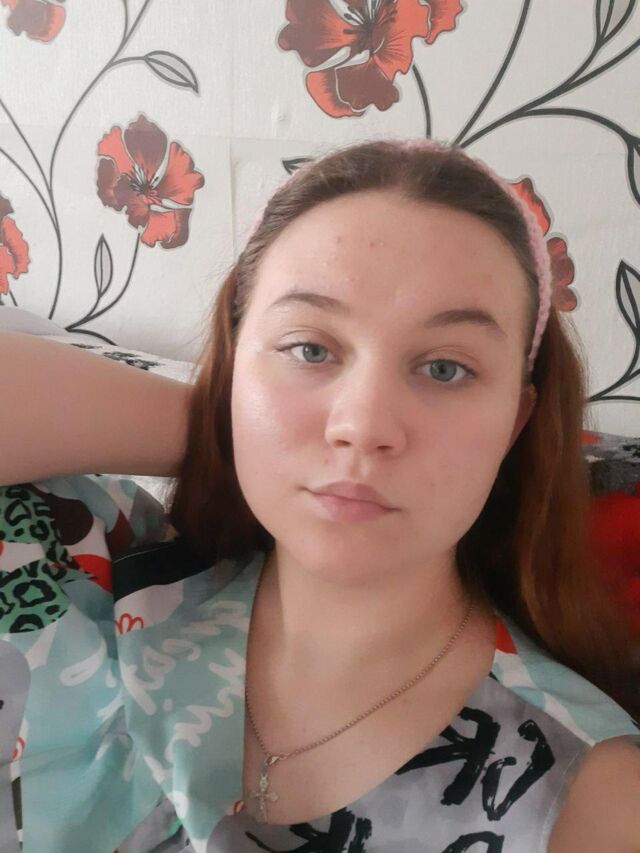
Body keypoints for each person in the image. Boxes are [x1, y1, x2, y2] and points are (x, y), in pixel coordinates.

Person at [1, 137, 639, 852]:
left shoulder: (589, 797)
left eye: (445, 368)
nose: (362, 426)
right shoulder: (81, 570)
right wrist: (229, 433)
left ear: (515, 422)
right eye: (309, 349)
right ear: (235, 365)